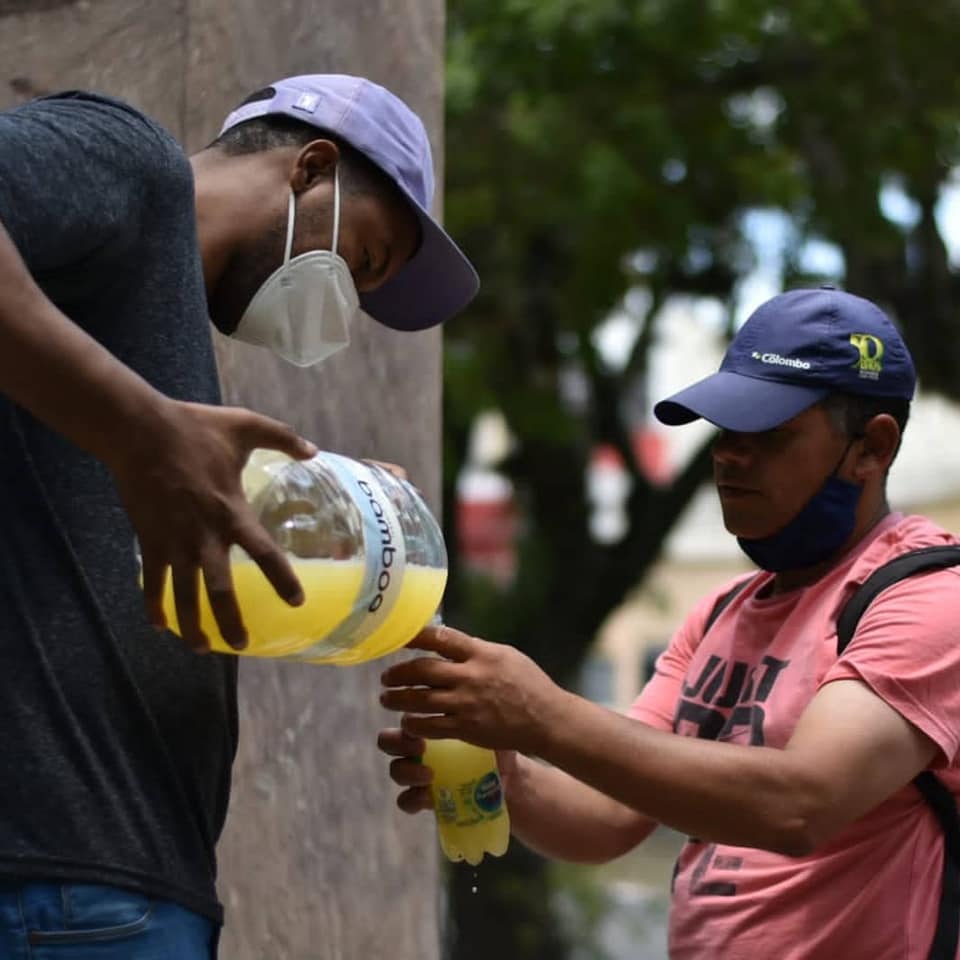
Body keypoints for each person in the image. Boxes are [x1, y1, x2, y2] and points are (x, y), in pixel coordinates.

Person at [0, 74, 477, 957]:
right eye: (363, 264)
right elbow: (136, 441)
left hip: (122, 878)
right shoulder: (129, 159)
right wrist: (141, 431)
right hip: (55, 881)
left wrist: (341, 520)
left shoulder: (147, 333)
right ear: (312, 168)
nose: (343, 307)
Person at [380, 287, 960, 960]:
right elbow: (611, 819)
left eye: (768, 434)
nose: (729, 456)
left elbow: (802, 804)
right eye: (725, 430)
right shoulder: (723, 612)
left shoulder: (927, 597)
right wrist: (507, 771)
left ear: (871, 448)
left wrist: (539, 713)